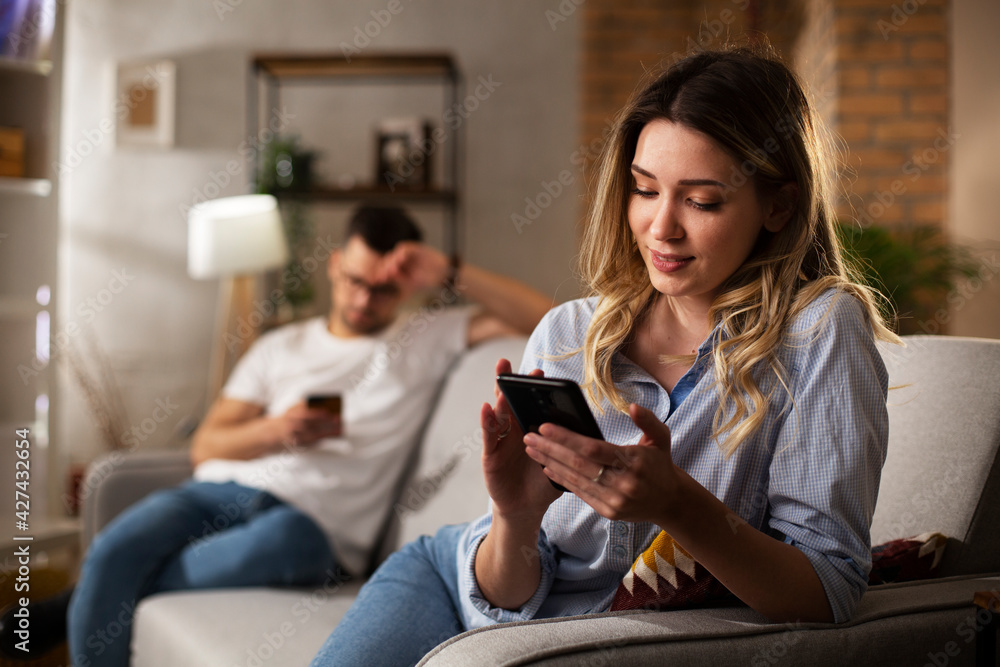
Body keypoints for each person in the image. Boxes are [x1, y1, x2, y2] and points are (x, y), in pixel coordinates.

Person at [310, 45, 900, 666]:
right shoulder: (570, 331)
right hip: (454, 580)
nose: (660, 228)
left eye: (702, 201)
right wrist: (515, 516)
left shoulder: (821, 330)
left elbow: (827, 593)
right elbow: (505, 596)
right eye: (645, 190)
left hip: (571, 643)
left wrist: (677, 503)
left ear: (777, 205)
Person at [20, 205, 552, 667]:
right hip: (220, 491)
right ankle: (84, 595)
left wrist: (450, 270)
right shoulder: (281, 346)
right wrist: (278, 430)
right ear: (335, 265)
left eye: (383, 289)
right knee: (116, 548)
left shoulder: (428, 335)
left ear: (407, 286)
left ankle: (75, 602)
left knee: (169, 571)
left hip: (315, 527)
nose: (365, 300)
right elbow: (207, 445)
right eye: (355, 281)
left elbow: (546, 319)